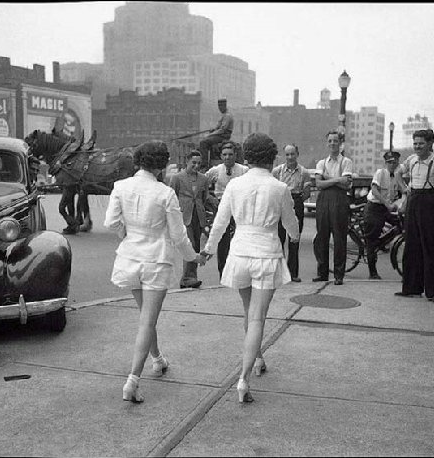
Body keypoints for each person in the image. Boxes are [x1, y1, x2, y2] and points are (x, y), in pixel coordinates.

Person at [199, 133, 299, 404]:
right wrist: (295, 236)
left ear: (247, 156)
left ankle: (256, 358)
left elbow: (219, 223)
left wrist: (208, 250)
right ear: (272, 156)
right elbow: (291, 225)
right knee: (257, 317)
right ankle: (243, 378)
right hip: (266, 254)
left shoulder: (234, 185)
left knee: (248, 311)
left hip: (240, 252)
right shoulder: (279, 188)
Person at [103, 140, 206, 403]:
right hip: (156, 261)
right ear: (161, 165)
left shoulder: (120, 187)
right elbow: (179, 235)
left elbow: (111, 222)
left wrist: (127, 235)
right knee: (147, 321)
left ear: (139, 161)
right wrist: (193, 257)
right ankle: (132, 381)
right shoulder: (164, 193)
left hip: (129, 258)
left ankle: (158, 359)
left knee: (145, 317)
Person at [395, 129, 434, 303]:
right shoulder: (411, 160)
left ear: (430, 144)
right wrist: (405, 190)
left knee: (431, 247)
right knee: (411, 245)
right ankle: (411, 288)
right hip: (414, 199)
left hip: (430, 201)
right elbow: (398, 173)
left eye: (421, 143)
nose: (417, 147)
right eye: (415, 143)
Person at [312, 130, 354, 285]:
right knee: (322, 237)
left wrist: (328, 178)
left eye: (335, 141)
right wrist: (338, 179)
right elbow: (318, 184)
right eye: (330, 141)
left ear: (340, 143)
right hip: (324, 201)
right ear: (326, 143)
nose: (332, 144)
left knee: (339, 237)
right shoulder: (321, 163)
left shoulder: (346, 162)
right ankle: (322, 273)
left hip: (340, 200)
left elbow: (346, 184)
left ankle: (338, 275)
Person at [168, 150, 211, 288]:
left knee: (196, 245)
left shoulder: (204, 179)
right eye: (194, 162)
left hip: (198, 216)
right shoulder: (177, 178)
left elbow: (204, 197)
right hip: (183, 216)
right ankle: (188, 278)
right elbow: (171, 196)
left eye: (199, 163)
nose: (196, 165)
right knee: (190, 244)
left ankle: (190, 277)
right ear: (187, 162)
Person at [205, 142, 249, 275]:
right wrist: (209, 196)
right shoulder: (215, 170)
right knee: (222, 240)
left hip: (238, 207)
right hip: (221, 206)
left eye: (230, 154)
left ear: (235, 155)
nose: (227, 157)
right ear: (221, 156)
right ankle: (223, 272)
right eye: (224, 155)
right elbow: (202, 184)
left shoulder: (244, 170)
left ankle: (238, 271)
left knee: (239, 238)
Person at [271, 144, 311, 282]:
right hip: (280, 204)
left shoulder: (304, 172)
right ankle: (280, 273)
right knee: (279, 239)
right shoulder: (277, 171)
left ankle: (293, 273)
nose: (290, 157)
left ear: (297, 154)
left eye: (292, 154)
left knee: (294, 239)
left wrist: (296, 202)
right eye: (287, 154)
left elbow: (306, 193)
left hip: (296, 202)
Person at [363, 151, 402, 280]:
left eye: (395, 162)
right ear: (386, 163)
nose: (392, 164)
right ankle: (372, 272)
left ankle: (384, 242)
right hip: (374, 208)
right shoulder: (380, 173)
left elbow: (402, 191)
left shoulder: (397, 176)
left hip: (385, 208)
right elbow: (374, 190)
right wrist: (388, 204)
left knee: (401, 223)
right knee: (372, 241)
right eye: (390, 162)